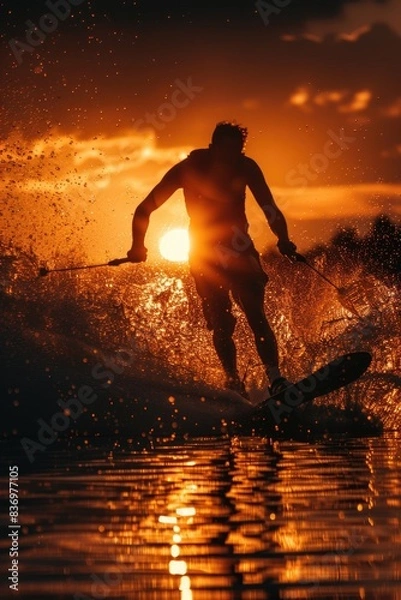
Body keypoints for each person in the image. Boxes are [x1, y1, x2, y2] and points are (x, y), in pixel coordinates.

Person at [127, 121, 297, 396]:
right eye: (227, 152)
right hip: (204, 254)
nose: (232, 159)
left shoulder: (246, 167)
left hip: (239, 247)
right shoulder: (187, 169)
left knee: (255, 311)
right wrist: (138, 246)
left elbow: (269, 208)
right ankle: (234, 383)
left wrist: (284, 239)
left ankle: (276, 380)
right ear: (213, 147)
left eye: (237, 152)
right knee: (222, 323)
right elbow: (144, 209)